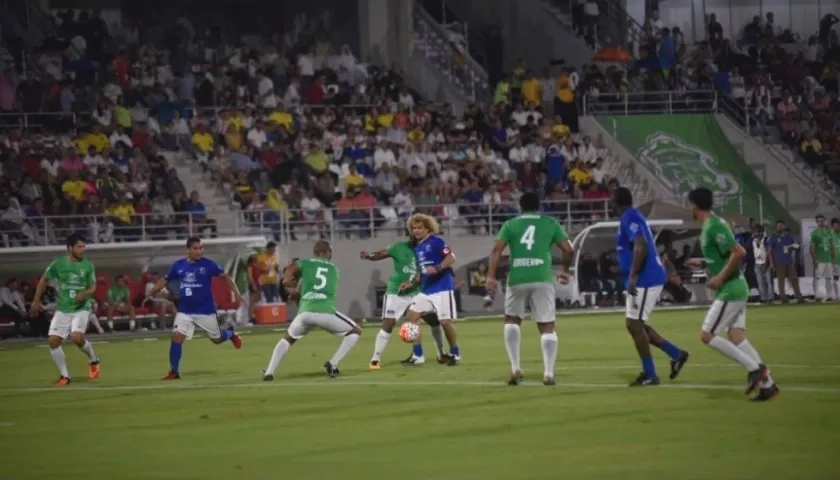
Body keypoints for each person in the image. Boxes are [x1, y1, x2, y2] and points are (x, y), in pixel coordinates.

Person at [686, 188, 779, 401]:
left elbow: (739, 252)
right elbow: (724, 255)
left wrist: (719, 278)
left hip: (731, 289)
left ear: (695, 205)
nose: (689, 208)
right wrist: (704, 263)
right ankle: (768, 386)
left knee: (706, 335)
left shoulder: (714, 225)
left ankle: (754, 369)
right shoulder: (712, 225)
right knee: (736, 336)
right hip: (734, 287)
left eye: (689, 204)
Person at [486, 192, 574, 386]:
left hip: (518, 276)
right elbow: (569, 248)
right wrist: (565, 270)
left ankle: (515, 368)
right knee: (547, 325)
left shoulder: (510, 224)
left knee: (512, 320)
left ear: (521, 207)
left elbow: (497, 249)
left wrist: (491, 276)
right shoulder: (551, 223)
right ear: (539, 206)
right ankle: (548, 373)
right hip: (542, 277)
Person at [613, 187, 689, 386]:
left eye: (611, 200)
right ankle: (676, 354)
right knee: (636, 325)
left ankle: (651, 374)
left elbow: (641, 245)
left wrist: (632, 277)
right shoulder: (630, 217)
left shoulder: (630, 217)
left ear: (616, 202)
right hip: (642, 279)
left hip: (645, 279)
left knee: (634, 325)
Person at [145, 237, 244, 380]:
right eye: (195, 248)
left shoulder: (208, 265)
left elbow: (226, 277)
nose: (199, 251)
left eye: (201, 248)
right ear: (188, 249)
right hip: (185, 311)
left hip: (205, 311)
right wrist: (151, 292)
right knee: (177, 336)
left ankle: (230, 333)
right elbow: (164, 281)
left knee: (216, 339)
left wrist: (237, 293)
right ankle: (174, 371)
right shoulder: (178, 265)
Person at [262, 240, 363, 379]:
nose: (331, 255)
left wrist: (286, 280)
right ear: (325, 252)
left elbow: (292, 267)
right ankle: (333, 363)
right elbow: (319, 285)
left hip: (305, 313)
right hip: (325, 312)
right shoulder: (334, 269)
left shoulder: (305, 263)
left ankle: (269, 372)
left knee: (287, 339)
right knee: (355, 331)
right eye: (330, 252)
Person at [29, 233, 101, 386]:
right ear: (70, 248)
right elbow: (44, 279)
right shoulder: (58, 264)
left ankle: (93, 360)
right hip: (63, 309)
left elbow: (93, 287)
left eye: (84, 246)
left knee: (76, 337)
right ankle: (65, 376)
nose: (83, 249)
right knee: (53, 341)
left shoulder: (88, 265)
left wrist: (84, 294)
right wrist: (36, 300)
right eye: (79, 247)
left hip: (81, 308)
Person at [400, 214, 460, 366]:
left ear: (427, 228)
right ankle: (418, 355)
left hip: (442, 287)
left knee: (445, 322)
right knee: (411, 316)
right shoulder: (417, 247)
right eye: (414, 228)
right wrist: (411, 283)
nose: (416, 231)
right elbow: (422, 272)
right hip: (426, 289)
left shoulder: (436, 241)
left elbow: (451, 257)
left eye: (420, 228)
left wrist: (438, 267)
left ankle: (455, 353)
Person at [360, 234, 421, 369]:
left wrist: (412, 283)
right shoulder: (398, 247)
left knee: (423, 320)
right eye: (412, 231)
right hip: (396, 292)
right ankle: (375, 358)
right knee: (388, 323)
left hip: (415, 292)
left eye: (418, 230)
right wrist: (369, 255)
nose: (414, 234)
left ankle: (420, 355)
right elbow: (381, 253)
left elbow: (422, 274)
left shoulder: (424, 250)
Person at [810, 214, 835, 302]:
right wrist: (815, 258)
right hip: (819, 259)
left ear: (825, 221)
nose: (821, 222)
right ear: (816, 222)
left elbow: (832, 245)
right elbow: (812, 247)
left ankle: (829, 295)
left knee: (829, 278)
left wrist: (833, 257)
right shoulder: (814, 233)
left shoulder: (829, 232)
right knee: (817, 278)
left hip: (828, 259)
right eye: (819, 221)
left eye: (822, 220)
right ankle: (816, 296)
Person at [832, 218, 840, 300]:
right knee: (836, 277)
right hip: (835, 260)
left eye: (838, 225)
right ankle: (837, 295)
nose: (837, 227)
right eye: (835, 225)